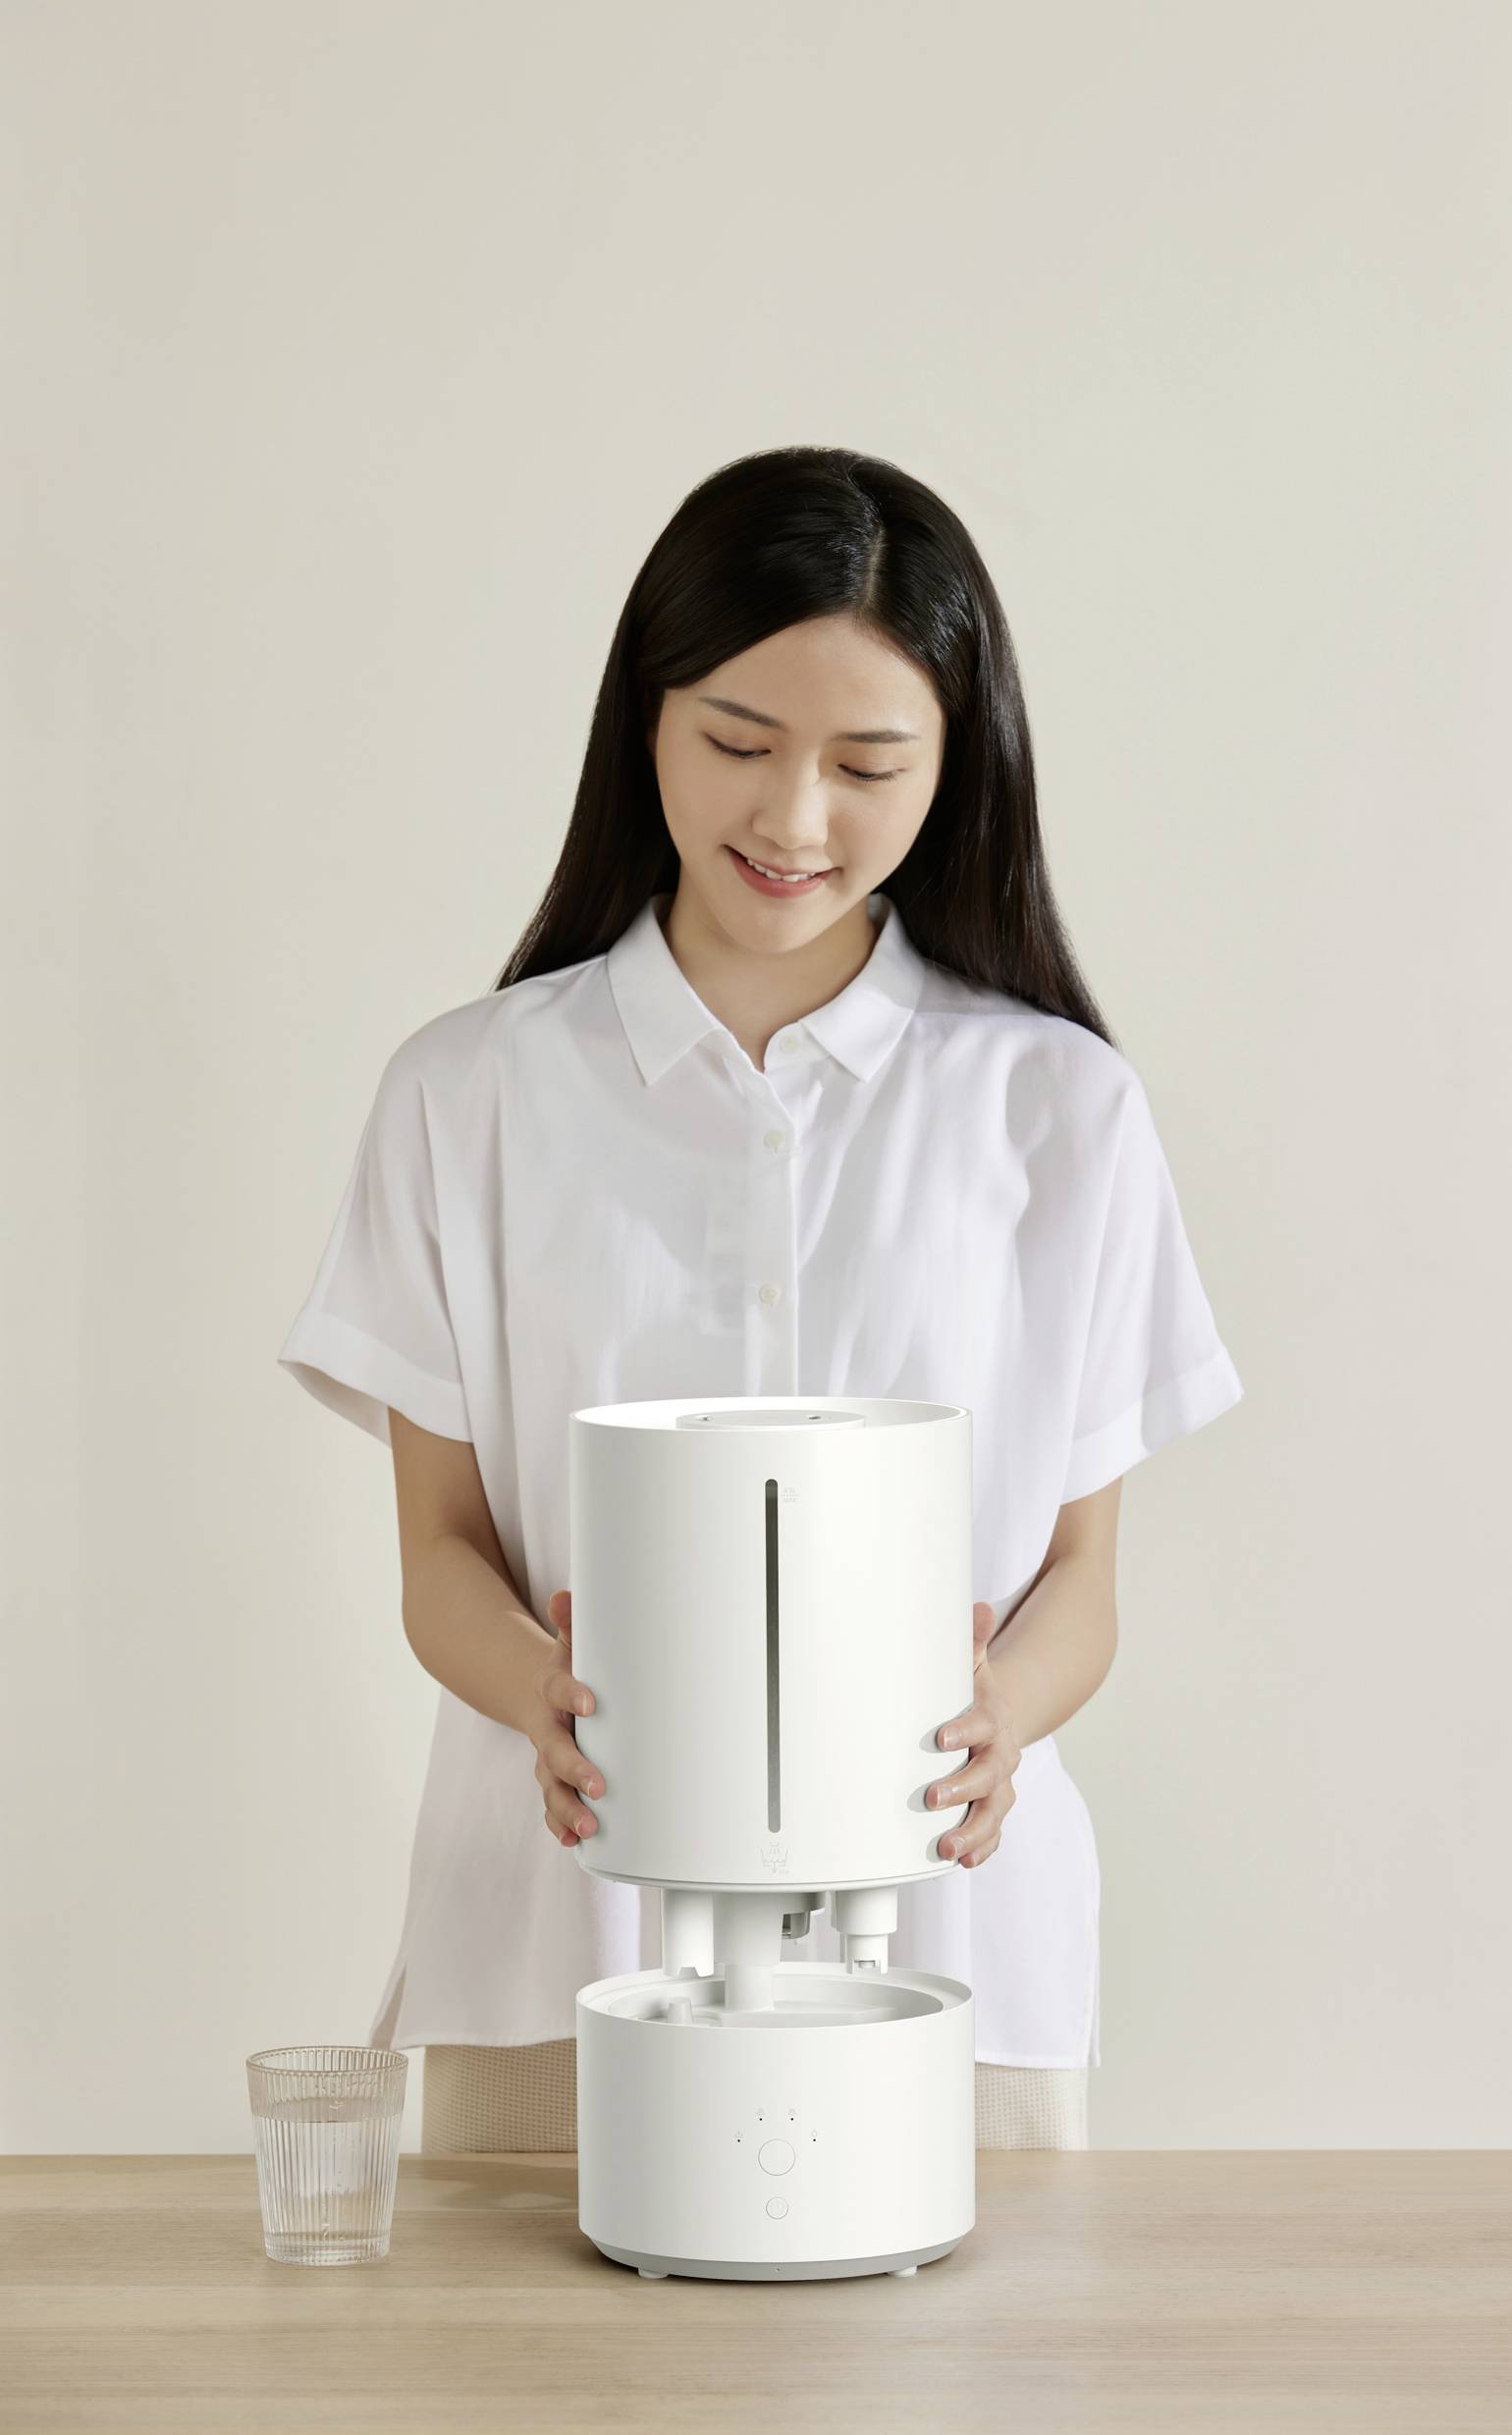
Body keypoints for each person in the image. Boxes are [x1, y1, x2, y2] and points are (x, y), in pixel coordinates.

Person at [277, 444, 1244, 2156]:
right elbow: (441, 1551)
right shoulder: (469, 1093)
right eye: (736, 743)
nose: (794, 821)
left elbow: (1080, 1580)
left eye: (867, 766)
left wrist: (1003, 1719)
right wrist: (543, 1702)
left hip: (949, 1949)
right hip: (557, 1942)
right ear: (644, 722)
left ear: (955, 767)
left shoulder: (1058, 1109)